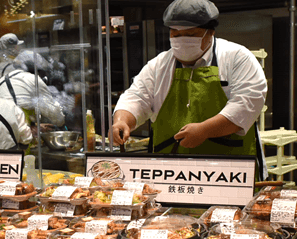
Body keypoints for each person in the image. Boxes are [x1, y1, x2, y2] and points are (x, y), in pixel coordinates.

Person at [111, 0, 268, 179]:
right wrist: (122, 120)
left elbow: (246, 104)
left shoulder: (237, 58)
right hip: (171, 172)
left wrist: (205, 130)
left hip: (229, 172)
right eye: (176, 34)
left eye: (191, 34)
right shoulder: (159, 65)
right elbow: (137, 97)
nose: (182, 40)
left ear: (211, 32)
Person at [0, 50, 65, 129]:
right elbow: (53, 113)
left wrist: (35, 126)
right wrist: (61, 123)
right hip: (16, 128)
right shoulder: (34, 79)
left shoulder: (1, 82)